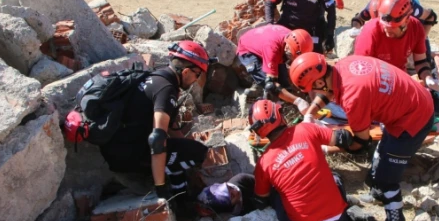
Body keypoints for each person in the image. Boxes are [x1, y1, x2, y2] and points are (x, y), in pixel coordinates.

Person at [289, 53, 436, 221]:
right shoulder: (343, 65)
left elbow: (361, 143)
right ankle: (377, 194)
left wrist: (328, 144)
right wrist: (310, 114)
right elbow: (327, 92)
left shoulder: (353, 96)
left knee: (386, 178)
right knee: (381, 156)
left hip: (413, 118)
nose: (313, 95)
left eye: (312, 90)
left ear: (318, 84)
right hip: (411, 101)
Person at [98, 41, 213, 210]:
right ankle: (167, 192)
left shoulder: (158, 77)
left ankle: (178, 191)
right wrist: (160, 191)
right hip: (129, 158)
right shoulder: (166, 89)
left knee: (186, 151)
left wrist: (185, 148)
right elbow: (158, 139)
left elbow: (171, 127)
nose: (196, 81)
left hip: (118, 150)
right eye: (197, 75)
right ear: (186, 71)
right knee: (198, 153)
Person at [249, 100, 370, 221]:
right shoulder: (305, 129)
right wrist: (319, 143)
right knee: (334, 177)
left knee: (275, 192)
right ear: (280, 116)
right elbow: (344, 138)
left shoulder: (263, 163)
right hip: (338, 216)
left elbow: (261, 200)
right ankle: (346, 217)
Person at [354, 0, 439, 89]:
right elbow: (360, 70)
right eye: (384, 25)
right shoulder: (371, 31)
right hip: (374, 82)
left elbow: (421, 62)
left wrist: (428, 78)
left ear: (406, 21)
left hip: (399, 78)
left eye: (392, 27)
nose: (387, 29)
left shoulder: (416, 28)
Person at [236, 24, 314, 114]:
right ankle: (264, 104)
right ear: (287, 49)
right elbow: (272, 84)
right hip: (247, 49)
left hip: (267, 44)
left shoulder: (296, 39)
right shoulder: (272, 49)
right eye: (293, 57)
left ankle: (287, 104)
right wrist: (299, 102)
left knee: (285, 85)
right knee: (269, 85)